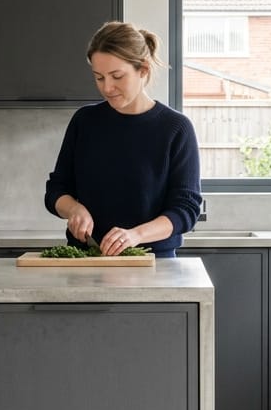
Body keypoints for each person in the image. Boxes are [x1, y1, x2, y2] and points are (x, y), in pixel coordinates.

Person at [45, 22, 202, 258]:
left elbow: (186, 210)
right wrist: (74, 209)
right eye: (99, 78)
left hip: (152, 262)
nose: (107, 88)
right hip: (86, 260)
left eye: (117, 76)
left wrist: (135, 236)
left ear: (143, 70)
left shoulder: (175, 128)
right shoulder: (85, 121)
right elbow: (56, 190)